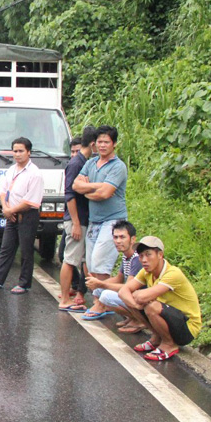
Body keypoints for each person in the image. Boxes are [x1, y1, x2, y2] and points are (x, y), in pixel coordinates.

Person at [0, 137, 44, 293]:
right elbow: (3, 191)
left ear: (29, 152)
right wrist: (6, 209)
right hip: (11, 214)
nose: (17, 154)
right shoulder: (12, 169)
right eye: (15, 151)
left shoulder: (35, 174)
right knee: (6, 248)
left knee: (26, 250)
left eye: (21, 151)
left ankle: (24, 284)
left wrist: (11, 211)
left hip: (27, 216)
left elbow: (31, 202)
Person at [118, 236, 201, 362]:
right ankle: (156, 338)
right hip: (169, 319)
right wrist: (135, 304)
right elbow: (123, 291)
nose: (144, 260)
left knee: (151, 306)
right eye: (141, 256)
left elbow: (142, 296)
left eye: (148, 255)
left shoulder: (173, 273)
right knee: (133, 301)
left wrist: (137, 297)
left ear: (160, 255)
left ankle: (169, 345)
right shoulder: (146, 272)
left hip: (186, 328)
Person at [72, 125, 128, 286]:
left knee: (100, 264)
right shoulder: (91, 163)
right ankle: (99, 301)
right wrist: (98, 186)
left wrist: (87, 190)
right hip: (94, 220)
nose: (102, 145)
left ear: (114, 144)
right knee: (90, 265)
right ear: (94, 144)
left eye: (106, 142)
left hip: (112, 220)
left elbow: (105, 193)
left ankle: (102, 303)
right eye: (99, 142)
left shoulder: (118, 167)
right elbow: (76, 185)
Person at [84, 220, 146, 333]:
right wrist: (97, 283)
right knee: (99, 290)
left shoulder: (137, 259)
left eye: (122, 237)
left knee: (106, 296)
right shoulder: (126, 256)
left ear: (133, 239)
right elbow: (119, 278)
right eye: (115, 237)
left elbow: (128, 287)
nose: (118, 241)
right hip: (131, 295)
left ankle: (139, 320)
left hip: (139, 298)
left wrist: (102, 284)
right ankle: (131, 317)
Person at [58, 128, 96, 311]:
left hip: (82, 219)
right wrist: (76, 223)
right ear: (93, 144)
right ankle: (65, 298)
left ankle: (90, 297)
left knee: (82, 260)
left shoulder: (84, 162)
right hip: (76, 219)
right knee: (70, 259)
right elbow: (70, 195)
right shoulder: (76, 163)